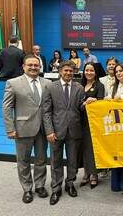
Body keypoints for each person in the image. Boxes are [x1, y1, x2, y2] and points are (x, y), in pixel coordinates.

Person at [2, 55, 51, 203]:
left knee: (41, 160)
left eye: (36, 65)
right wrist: (10, 128)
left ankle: (40, 186)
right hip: (22, 129)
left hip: (43, 129)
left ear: (39, 67)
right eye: (30, 65)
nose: (33, 68)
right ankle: (27, 189)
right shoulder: (13, 83)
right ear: (23, 66)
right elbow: (6, 107)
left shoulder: (48, 83)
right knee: (23, 161)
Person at [42, 60, 85, 205]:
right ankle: (56, 188)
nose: (68, 73)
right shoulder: (50, 87)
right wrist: (49, 131)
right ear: (60, 71)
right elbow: (46, 111)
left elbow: (80, 108)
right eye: (65, 70)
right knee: (56, 160)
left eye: (71, 71)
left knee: (73, 160)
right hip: (56, 131)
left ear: (74, 72)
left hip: (74, 130)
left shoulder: (79, 87)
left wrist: (87, 104)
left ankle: (70, 183)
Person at [108, 64, 123, 193]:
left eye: (120, 71)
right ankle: (116, 184)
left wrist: (121, 99)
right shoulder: (113, 87)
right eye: (116, 71)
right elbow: (107, 101)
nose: (118, 73)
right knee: (117, 155)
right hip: (116, 127)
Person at [79, 63, 105, 189]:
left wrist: (94, 101)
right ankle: (85, 173)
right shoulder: (79, 85)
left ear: (96, 72)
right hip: (78, 121)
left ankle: (94, 174)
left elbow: (101, 103)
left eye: (91, 70)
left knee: (91, 149)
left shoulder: (99, 86)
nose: (89, 72)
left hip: (91, 123)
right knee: (82, 149)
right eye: (87, 70)